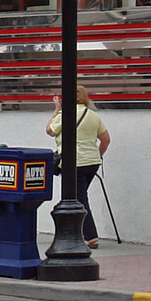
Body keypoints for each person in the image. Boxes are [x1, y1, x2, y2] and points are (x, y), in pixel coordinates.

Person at [45, 84, 112, 249]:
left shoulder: (65, 114)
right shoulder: (93, 116)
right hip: (92, 162)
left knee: (79, 199)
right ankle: (80, 232)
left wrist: (56, 110)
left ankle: (90, 236)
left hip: (74, 163)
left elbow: (50, 131)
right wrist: (97, 155)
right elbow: (106, 139)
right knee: (79, 196)